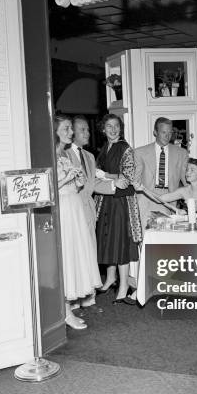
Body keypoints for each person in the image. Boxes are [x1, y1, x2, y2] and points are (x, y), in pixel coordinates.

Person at [68, 115, 127, 312]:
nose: (87, 133)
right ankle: (72, 301)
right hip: (71, 212)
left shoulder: (89, 156)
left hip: (88, 211)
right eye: (82, 130)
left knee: (88, 254)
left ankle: (88, 298)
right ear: (71, 132)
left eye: (87, 129)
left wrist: (114, 184)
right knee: (74, 256)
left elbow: (94, 184)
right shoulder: (63, 155)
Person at [55, 113, 103, 330]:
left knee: (75, 257)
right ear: (54, 132)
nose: (71, 133)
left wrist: (78, 182)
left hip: (75, 208)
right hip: (64, 212)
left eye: (70, 129)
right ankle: (65, 311)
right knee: (66, 259)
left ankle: (67, 309)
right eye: (66, 129)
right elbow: (47, 190)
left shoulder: (64, 158)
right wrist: (67, 179)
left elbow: (76, 187)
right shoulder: (48, 157)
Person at [95, 113, 142, 304]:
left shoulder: (125, 148)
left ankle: (123, 285)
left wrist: (105, 174)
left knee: (120, 242)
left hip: (121, 202)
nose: (113, 130)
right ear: (103, 129)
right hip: (107, 199)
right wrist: (108, 178)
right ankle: (111, 278)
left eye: (116, 126)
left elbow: (127, 178)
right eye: (109, 126)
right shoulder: (105, 148)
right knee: (109, 240)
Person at [134, 117, 188, 229]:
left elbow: (185, 180)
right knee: (147, 237)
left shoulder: (181, 153)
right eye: (163, 132)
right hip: (146, 198)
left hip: (170, 199)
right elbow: (136, 179)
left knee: (166, 238)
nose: (167, 136)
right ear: (155, 132)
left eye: (170, 133)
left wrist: (192, 199)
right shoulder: (140, 152)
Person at [147, 158, 197, 222]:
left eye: (192, 170)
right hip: (188, 230)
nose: (187, 172)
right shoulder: (183, 191)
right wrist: (143, 189)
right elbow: (159, 199)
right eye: (187, 169)